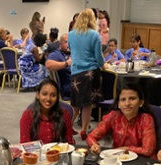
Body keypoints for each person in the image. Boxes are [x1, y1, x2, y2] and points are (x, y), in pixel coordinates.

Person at [86, 83, 157, 158]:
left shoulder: (146, 119)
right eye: (123, 100)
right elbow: (91, 137)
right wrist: (94, 145)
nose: (127, 103)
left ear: (141, 102)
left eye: (132, 98)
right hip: (119, 160)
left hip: (143, 162)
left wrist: (125, 149)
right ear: (118, 104)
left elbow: (147, 151)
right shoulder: (114, 116)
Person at [68, 8, 104, 140]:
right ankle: (83, 129)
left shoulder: (71, 34)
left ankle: (68, 126)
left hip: (75, 73)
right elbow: (99, 58)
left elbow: (72, 51)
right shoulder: (95, 35)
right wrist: (103, 64)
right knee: (87, 104)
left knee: (75, 103)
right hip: (90, 72)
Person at [20, 78, 75, 144]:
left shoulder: (64, 114)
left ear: (57, 97)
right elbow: (25, 144)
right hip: (35, 153)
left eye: (53, 95)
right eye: (44, 94)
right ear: (38, 95)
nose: (48, 98)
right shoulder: (28, 115)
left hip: (59, 152)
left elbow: (69, 142)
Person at [45, 33, 72, 99]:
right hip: (70, 90)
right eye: (66, 42)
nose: (69, 44)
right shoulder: (57, 54)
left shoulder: (74, 53)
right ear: (60, 43)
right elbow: (48, 64)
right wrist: (66, 63)